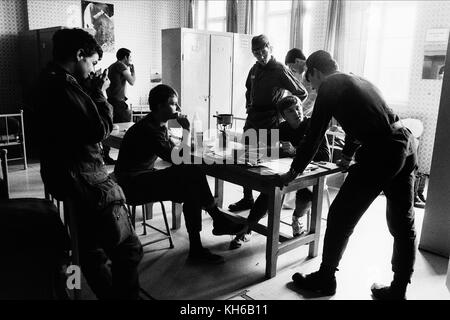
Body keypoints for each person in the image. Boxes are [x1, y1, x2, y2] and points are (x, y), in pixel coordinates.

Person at [279, 50, 417, 300]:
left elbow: (314, 135)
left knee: (341, 215)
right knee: (403, 223)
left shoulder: (330, 85)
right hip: (404, 143)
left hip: (381, 151)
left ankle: (325, 278)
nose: (311, 88)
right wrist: (348, 154)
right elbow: (361, 120)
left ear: (316, 72)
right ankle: (399, 289)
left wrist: (294, 170)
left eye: (310, 81)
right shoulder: (356, 79)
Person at [35, 28, 143, 299]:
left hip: (63, 176)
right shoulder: (62, 87)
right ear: (79, 54)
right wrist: (100, 95)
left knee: (90, 249)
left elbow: (72, 124)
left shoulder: (48, 80)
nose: (93, 68)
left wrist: (89, 89)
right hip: (85, 178)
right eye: (92, 62)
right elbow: (98, 130)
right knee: (129, 250)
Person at [114, 84, 247, 264]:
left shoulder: (156, 123)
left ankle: (198, 247)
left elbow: (175, 151)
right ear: (160, 106)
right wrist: (186, 130)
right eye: (173, 104)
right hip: (131, 185)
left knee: (191, 186)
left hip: (141, 177)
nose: (178, 108)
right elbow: (175, 157)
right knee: (191, 172)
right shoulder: (149, 129)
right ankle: (215, 220)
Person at [229, 95, 330, 249]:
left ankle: (297, 218)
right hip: (286, 171)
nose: (296, 112)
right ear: (283, 116)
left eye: (298, 108)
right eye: (290, 111)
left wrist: (295, 150)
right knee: (269, 191)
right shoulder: (282, 128)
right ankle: (248, 228)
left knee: (306, 192)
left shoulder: (313, 125)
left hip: (309, 173)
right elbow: (271, 152)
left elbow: (326, 155)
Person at [228, 34, 307, 213]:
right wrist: (249, 104)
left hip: (270, 120)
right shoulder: (254, 69)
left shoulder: (279, 69)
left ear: (270, 48)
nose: (260, 55)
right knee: (244, 158)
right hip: (253, 119)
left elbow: (301, 93)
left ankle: (266, 204)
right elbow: (248, 89)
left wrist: (282, 111)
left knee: (265, 163)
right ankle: (247, 198)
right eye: (255, 53)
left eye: (262, 51)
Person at [103, 48, 136, 164]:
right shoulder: (120, 66)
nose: (131, 59)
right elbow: (132, 81)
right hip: (118, 103)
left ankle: (105, 156)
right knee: (125, 131)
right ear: (125, 57)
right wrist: (133, 70)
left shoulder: (112, 66)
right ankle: (126, 159)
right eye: (130, 57)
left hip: (111, 101)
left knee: (110, 130)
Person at [285, 48, 317, 118]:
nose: (291, 70)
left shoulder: (309, 71)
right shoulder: (306, 72)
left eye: (290, 66)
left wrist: (299, 113)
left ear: (297, 61)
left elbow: (312, 97)